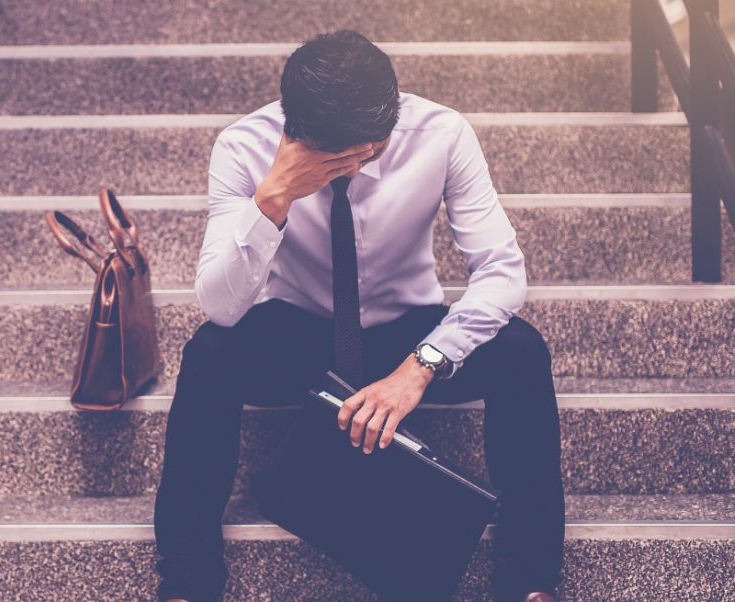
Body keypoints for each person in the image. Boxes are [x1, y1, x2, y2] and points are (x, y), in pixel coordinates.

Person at [152, 29, 564, 602]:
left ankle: (530, 583)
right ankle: (187, 582)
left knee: (522, 351)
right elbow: (221, 307)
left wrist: (421, 366)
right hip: (300, 331)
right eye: (334, 156)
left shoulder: (441, 134)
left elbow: (501, 271)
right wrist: (272, 198)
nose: (353, 165)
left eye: (368, 150)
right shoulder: (243, 147)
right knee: (207, 353)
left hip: (408, 330)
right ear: (294, 132)